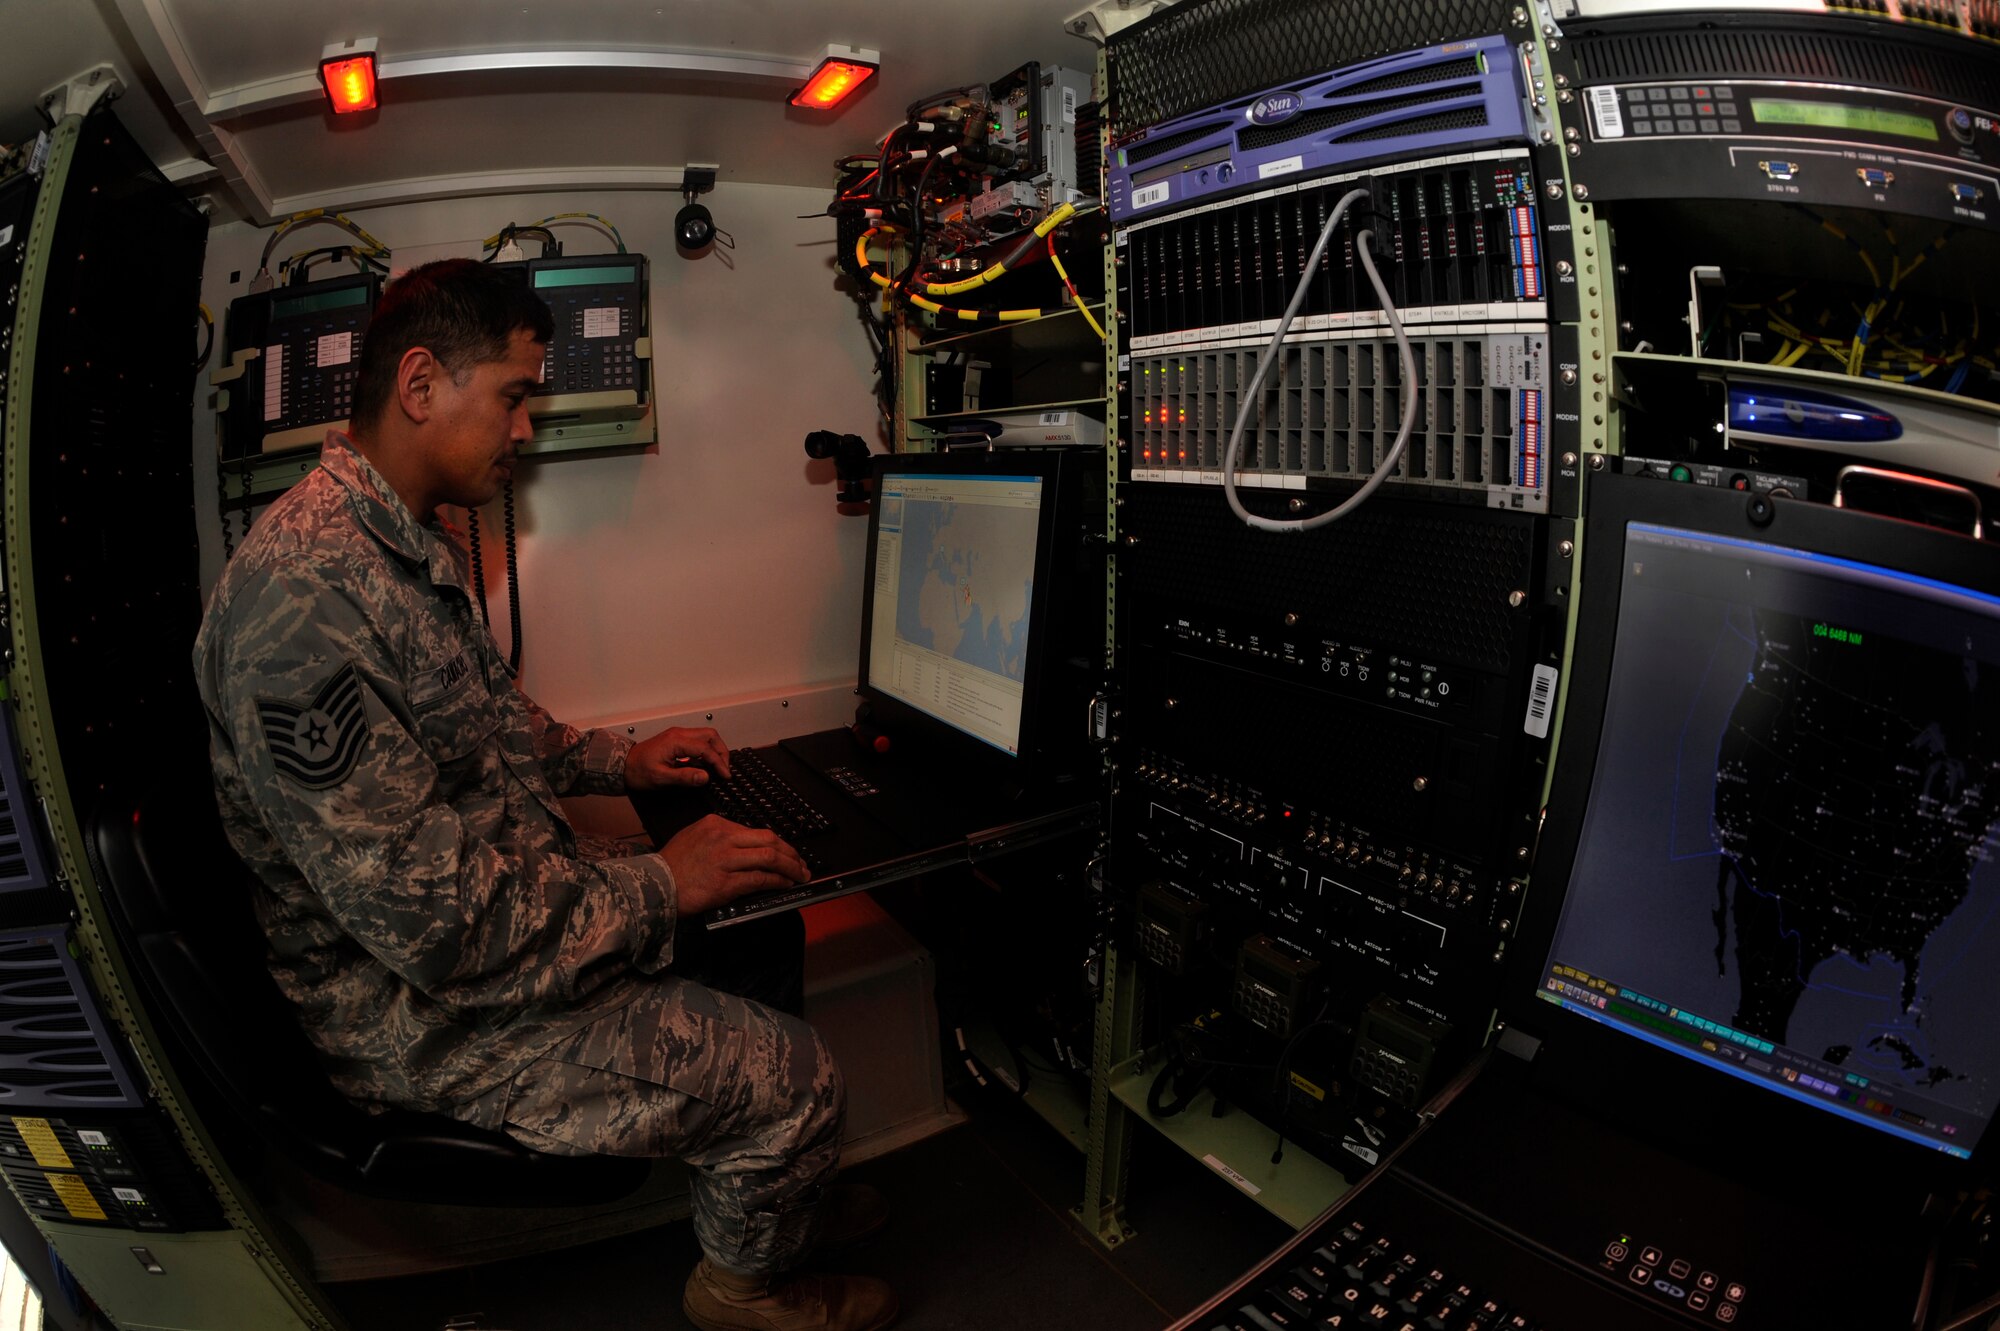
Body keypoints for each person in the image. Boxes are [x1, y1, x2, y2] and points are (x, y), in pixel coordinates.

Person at [193, 258, 897, 1331]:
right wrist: (663, 881)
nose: (524, 430)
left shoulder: (399, 540)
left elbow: (483, 719)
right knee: (798, 1072)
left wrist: (621, 760)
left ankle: (772, 1190)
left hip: (495, 909)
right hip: (424, 1015)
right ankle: (745, 1284)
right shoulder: (301, 601)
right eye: (515, 397)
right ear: (420, 384)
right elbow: (439, 930)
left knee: (756, 912)